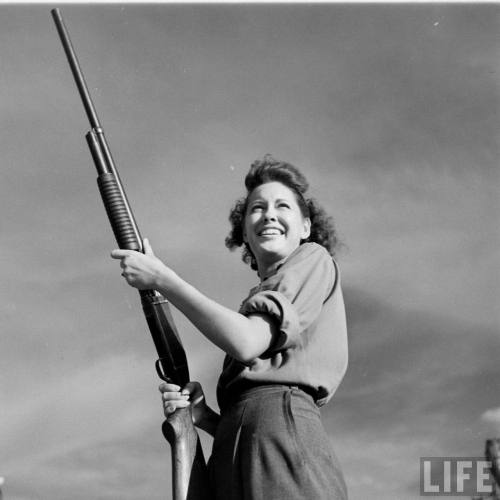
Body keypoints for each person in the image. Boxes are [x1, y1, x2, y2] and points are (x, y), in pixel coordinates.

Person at [111, 155, 349, 499]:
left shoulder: (313, 259)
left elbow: (248, 342)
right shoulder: (262, 296)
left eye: (282, 206)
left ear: (306, 227)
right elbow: (244, 417)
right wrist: (204, 417)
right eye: (257, 208)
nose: (268, 214)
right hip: (237, 455)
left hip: (280, 440)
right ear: (245, 234)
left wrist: (162, 279)